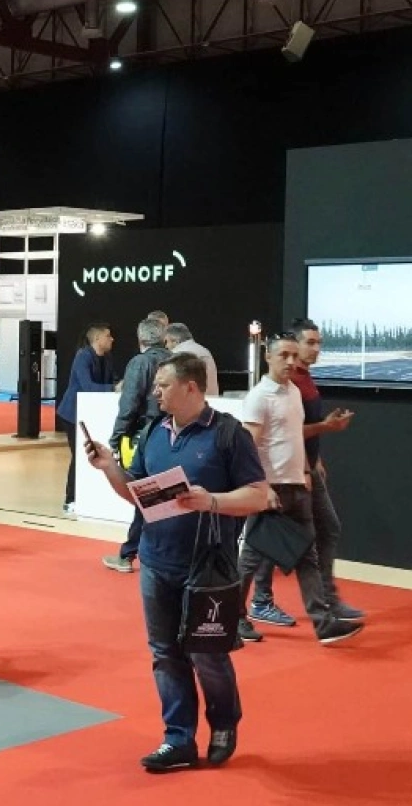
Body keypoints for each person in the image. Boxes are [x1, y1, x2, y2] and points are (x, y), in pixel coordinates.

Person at [86, 352, 269, 772]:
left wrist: (212, 500)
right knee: (165, 653)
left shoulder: (228, 434)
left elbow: (259, 496)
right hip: (156, 560)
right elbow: (137, 495)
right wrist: (110, 468)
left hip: (208, 567)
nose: (155, 392)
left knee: (208, 654)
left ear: (190, 387)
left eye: (163, 385)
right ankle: (178, 738)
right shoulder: (153, 431)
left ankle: (224, 723)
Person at [234, 333, 361, 646]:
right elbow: (248, 448)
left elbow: (294, 437)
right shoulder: (259, 397)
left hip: (296, 486)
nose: (291, 361)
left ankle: (323, 624)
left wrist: (305, 470)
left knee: (308, 556)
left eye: (294, 355)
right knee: (250, 560)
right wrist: (262, 487)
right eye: (284, 355)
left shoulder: (293, 392)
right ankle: (231, 618)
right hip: (270, 490)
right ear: (268, 357)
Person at [102, 318, 173, 573]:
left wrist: (116, 437)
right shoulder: (176, 361)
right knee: (163, 493)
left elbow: (129, 403)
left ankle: (129, 553)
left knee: (146, 494)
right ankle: (138, 551)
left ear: (140, 338)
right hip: (174, 433)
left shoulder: (140, 363)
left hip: (146, 434)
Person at [56, 322, 116, 512]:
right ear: (97, 338)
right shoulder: (83, 357)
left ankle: (87, 496)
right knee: (79, 456)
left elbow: (109, 381)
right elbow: (88, 387)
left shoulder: (107, 358)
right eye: (108, 336)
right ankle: (70, 499)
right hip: (72, 413)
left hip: (90, 413)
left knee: (91, 455)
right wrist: (114, 388)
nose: (112, 339)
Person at [163, 323, 219, 396]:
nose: (166, 346)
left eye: (166, 342)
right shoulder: (203, 350)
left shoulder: (178, 354)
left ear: (175, 340)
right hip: (212, 398)